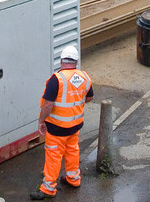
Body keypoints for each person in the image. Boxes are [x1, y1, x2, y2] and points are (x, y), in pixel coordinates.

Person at [31, 45, 93, 200]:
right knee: (72, 150)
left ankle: (48, 188)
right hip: (75, 125)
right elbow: (89, 97)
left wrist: (41, 120)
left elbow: (48, 104)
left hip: (57, 128)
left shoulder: (56, 79)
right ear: (76, 61)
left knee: (53, 156)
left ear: (61, 61)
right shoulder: (85, 77)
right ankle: (73, 179)